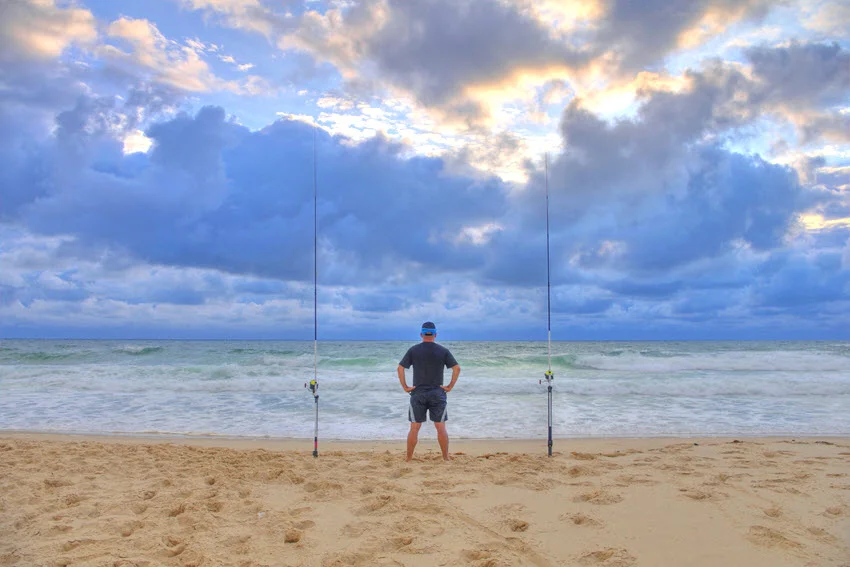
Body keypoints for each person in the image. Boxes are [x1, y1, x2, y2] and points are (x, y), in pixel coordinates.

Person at [397, 321, 460, 462]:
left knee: (414, 427)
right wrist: (449, 386)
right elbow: (457, 368)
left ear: (421, 334)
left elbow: (400, 368)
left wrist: (405, 387)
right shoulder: (443, 350)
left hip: (418, 393)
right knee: (440, 427)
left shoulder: (413, 350)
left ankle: (408, 459)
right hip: (437, 392)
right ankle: (446, 458)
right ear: (435, 335)